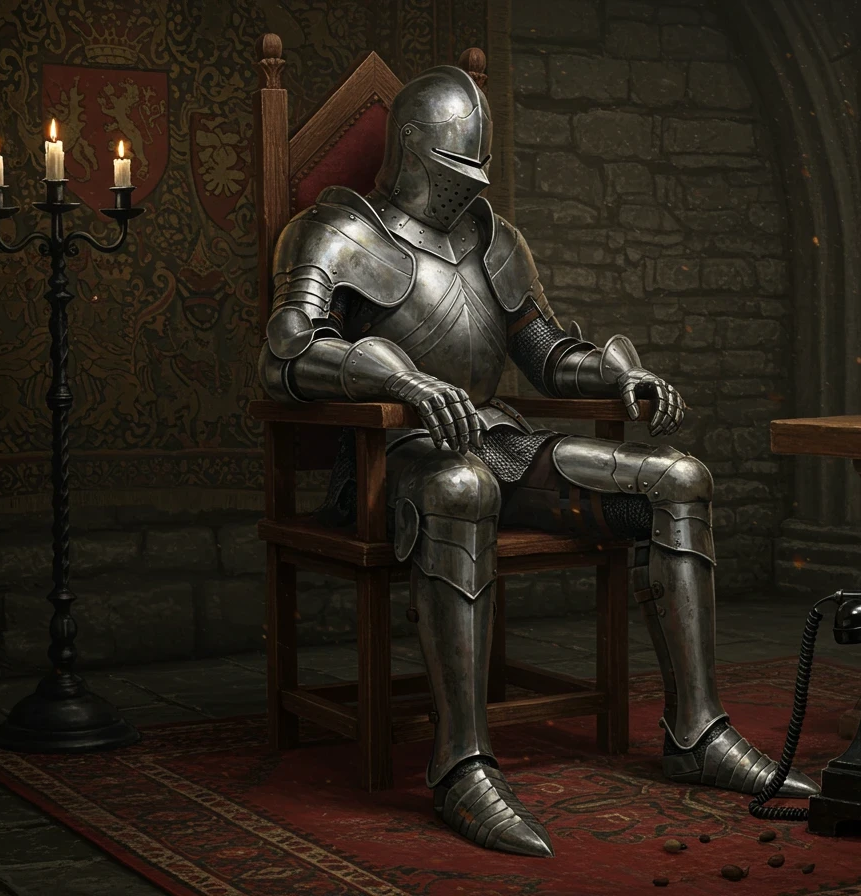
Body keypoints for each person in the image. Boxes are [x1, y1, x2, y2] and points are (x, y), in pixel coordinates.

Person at [258, 63, 816, 858]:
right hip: (392, 465)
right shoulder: (337, 230)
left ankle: (697, 730)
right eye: (456, 167)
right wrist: (393, 375)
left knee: (678, 480)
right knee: (459, 484)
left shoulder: (494, 240)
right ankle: (461, 762)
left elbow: (546, 353)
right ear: (412, 147)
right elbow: (286, 352)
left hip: (498, 441)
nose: (468, 186)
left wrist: (621, 377)